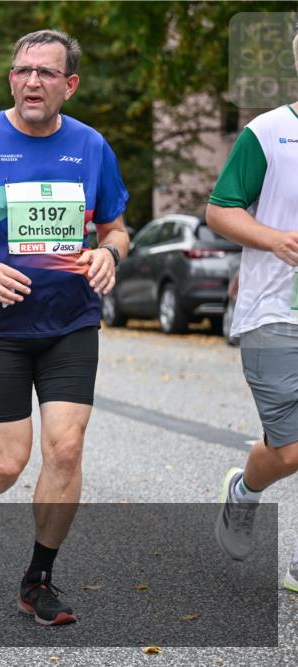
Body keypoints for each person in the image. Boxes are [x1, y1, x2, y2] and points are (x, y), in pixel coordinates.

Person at [0, 29, 130, 626]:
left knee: (66, 448)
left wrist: (110, 254)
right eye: (22, 71)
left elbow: (116, 227)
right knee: (8, 462)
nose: (32, 81)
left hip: (71, 321)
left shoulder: (91, 147)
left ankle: (39, 578)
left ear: (70, 84)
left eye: (46, 72)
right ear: (11, 78)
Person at [207, 31, 298, 594]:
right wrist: (273, 239)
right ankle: (244, 490)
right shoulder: (267, 132)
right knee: (288, 453)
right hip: (274, 315)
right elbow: (220, 210)